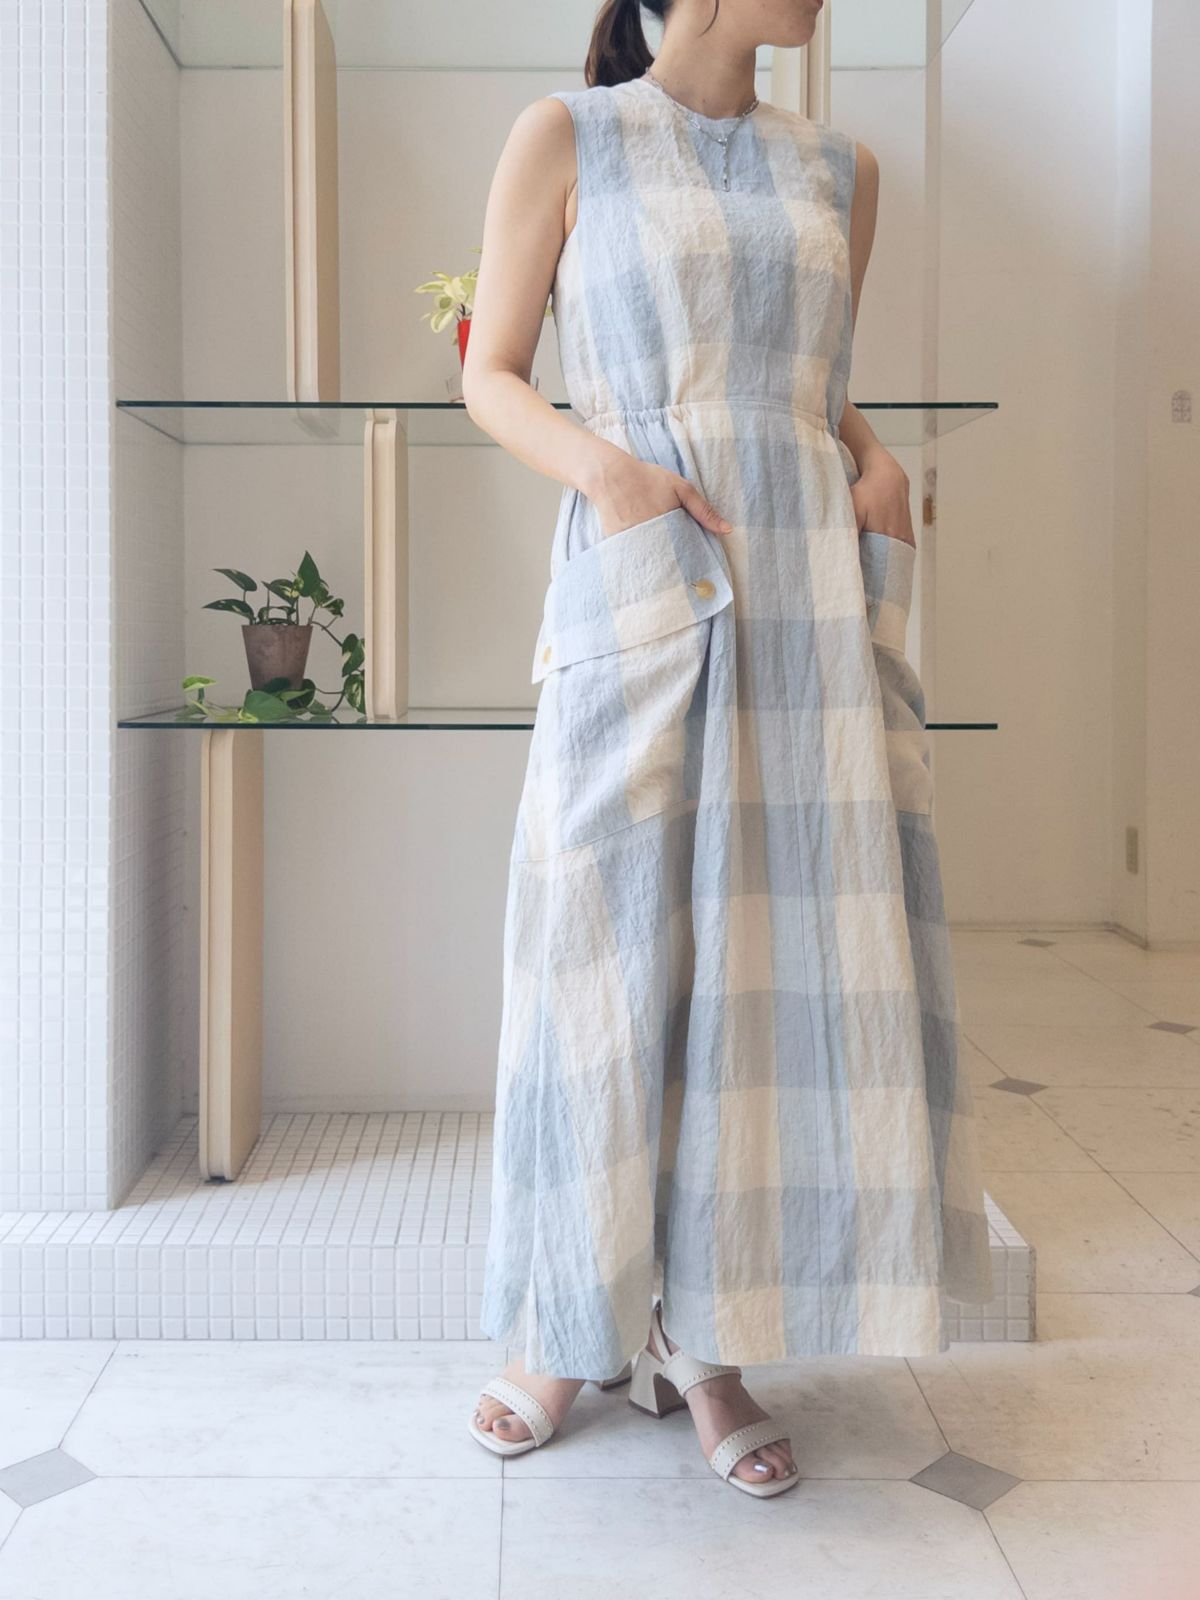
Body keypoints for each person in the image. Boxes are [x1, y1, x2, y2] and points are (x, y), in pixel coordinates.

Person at [460, 0, 993, 1500]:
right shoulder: (567, 138)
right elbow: (492, 371)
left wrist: (873, 454)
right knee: (604, 958)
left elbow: (814, 384)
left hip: (806, 602)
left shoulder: (841, 169)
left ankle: (713, 1343)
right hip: (646, 578)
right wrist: (612, 475)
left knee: (761, 979)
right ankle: (562, 1328)